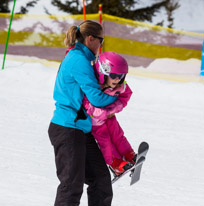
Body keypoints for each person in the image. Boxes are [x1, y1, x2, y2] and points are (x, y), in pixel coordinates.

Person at [48, 20, 117, 206]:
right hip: (67, 128)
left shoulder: (82, 58)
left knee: (101, 180)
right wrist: (119, 95)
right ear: (90, 38)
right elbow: (97, 98)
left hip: (79, 129)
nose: (101, 45)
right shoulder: (78, 60)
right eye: (101, 40)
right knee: (71, 185)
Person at [83, 52, 137, 176]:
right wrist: (104, 113)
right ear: (103, 73)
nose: (117, 79)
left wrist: (113, 109)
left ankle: (129, 154)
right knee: (105, 143)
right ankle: (115, 164)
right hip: (96, 124)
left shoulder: (120, 86)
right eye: (113, 75)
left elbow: (125, 96)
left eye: (120, 76)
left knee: (118, 135)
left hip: (110, 118)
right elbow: (89, 106)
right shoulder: (93, 86)